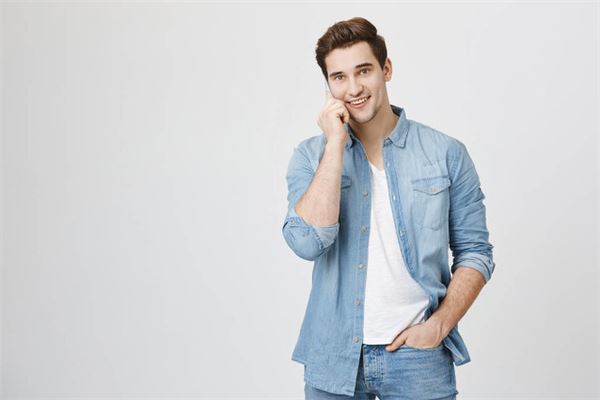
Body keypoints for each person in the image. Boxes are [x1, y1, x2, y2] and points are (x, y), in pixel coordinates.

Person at [281, 17, 495, 400]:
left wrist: (440, 325)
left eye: (363, 71)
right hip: (333, 356)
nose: (354, 88)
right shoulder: (311, 156)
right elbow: (307, 243)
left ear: (386, 69)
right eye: (339, 77)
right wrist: (335, 144)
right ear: (329, 86)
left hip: (419, 359)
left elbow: (476, 252)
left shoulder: (445, 153)